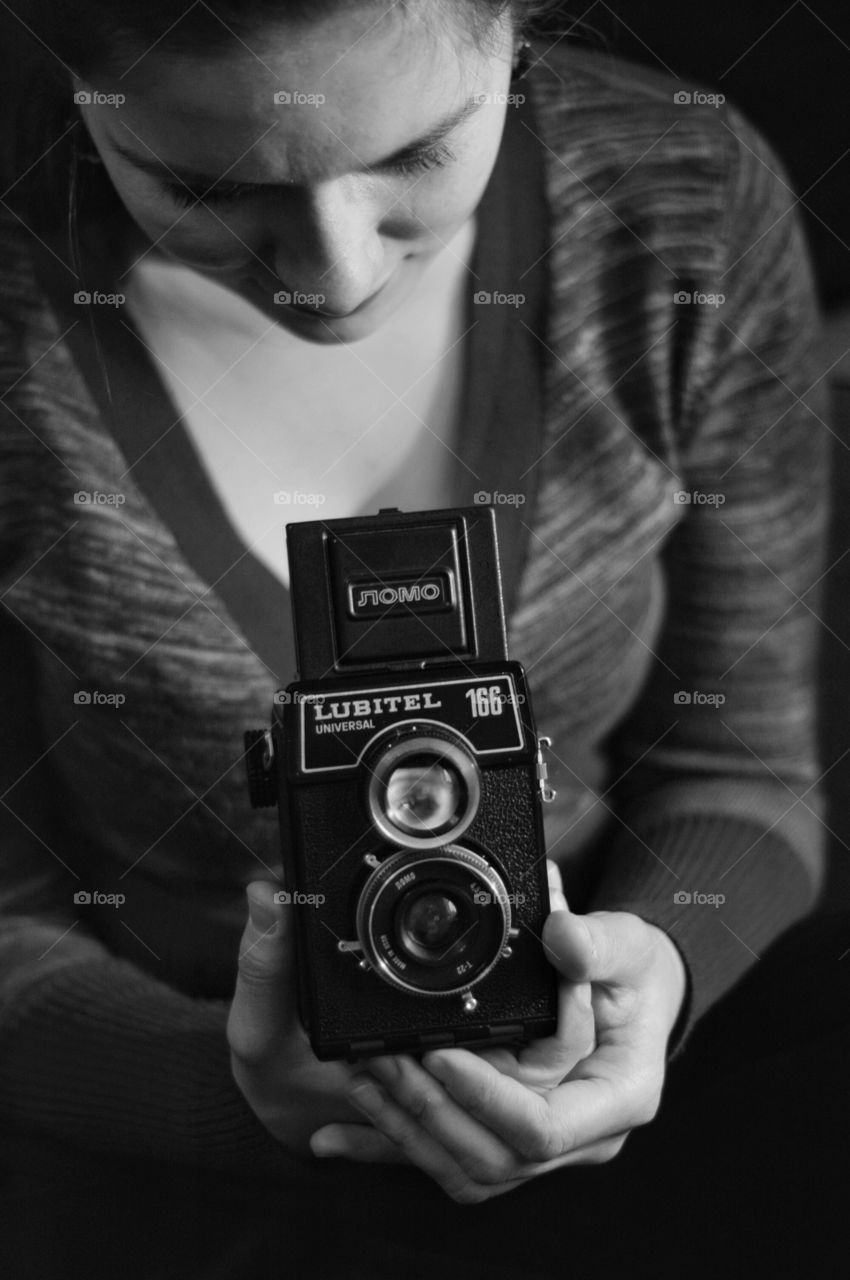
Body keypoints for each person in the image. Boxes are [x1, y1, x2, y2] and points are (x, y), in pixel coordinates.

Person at [0, 1, 845, 1277]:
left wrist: (655, 968)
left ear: (511, 33)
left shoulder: (681, 203)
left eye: (420, 155)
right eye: (201, 187)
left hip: (637, 1090)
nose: (334, 276)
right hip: (130, 1128)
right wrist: (231, 1093)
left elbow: (745, 769)